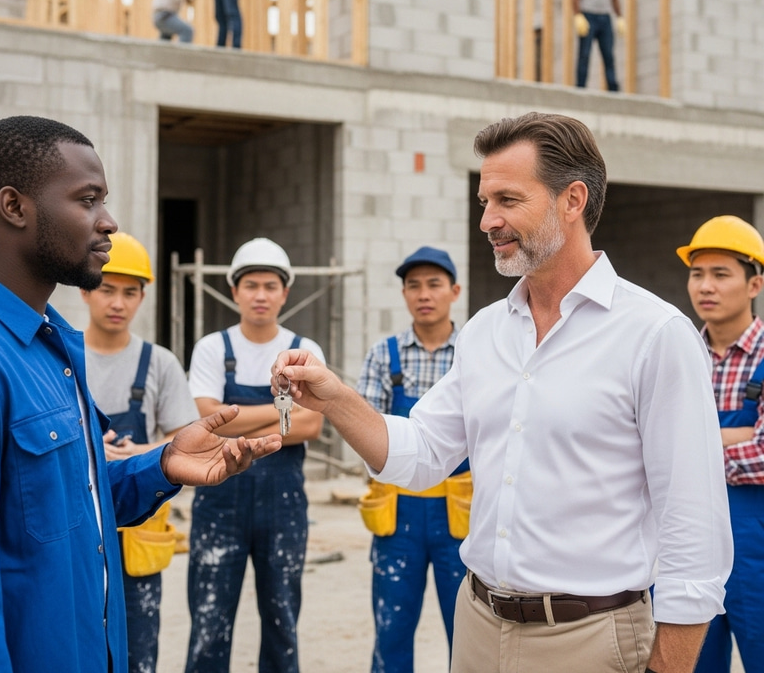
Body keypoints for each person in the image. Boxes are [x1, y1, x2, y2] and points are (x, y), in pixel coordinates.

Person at [272, 112, 734, 673]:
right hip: (477, 626)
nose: (488, 220)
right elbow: (420, 456)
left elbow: (695, 532)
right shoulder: (486, 332)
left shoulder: (655, 336)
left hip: (591, 640)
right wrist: (335, 397)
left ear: (573, 199)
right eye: (484, 201)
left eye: (508, 200)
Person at [0, 115, 281, 673]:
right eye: (87, 200)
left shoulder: (53, 345)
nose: (108, 221)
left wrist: (160, 464)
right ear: (14, 207)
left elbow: (67, 500)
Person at [184, 237, 324, 673]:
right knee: (209, 622)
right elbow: (206, 418)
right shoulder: (212, 347)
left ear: (284, 293)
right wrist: (283, 412)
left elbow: (312, 425)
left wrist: (235, 419)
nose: (260, 294)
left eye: (270, 285)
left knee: (282, 620)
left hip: (283, 506)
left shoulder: (304, 350)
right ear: (234, 292)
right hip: (218, 502)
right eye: (251, 285)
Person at [80, 231, 200, 673]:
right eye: (107, 289)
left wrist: (134, 454)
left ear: (143, 297)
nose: (118, 303)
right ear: (85, 289)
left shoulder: (161, 363)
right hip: (78, 526)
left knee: (138, 652)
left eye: (130, 293)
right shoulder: (63, 355)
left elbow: (186, 441)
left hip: (139, 536)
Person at [357, 246, 469, 673]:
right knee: (392, 632)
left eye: (434, 284)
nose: (424, 294)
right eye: (413, 285)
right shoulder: (384, 355)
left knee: (468, 633)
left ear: (454, 290)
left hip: (460, 514)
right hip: (397, 513)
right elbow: (366, 432)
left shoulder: (475, 351)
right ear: (403, 293)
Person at [677, 216, 764, 673]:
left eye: (720, 274)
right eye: (697, 274)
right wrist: (737, 436)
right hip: (686, 554)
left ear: (755, 285)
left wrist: (688, 444)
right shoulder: (675, 353)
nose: (705, 286)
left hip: (758, 557)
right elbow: (643, 443)